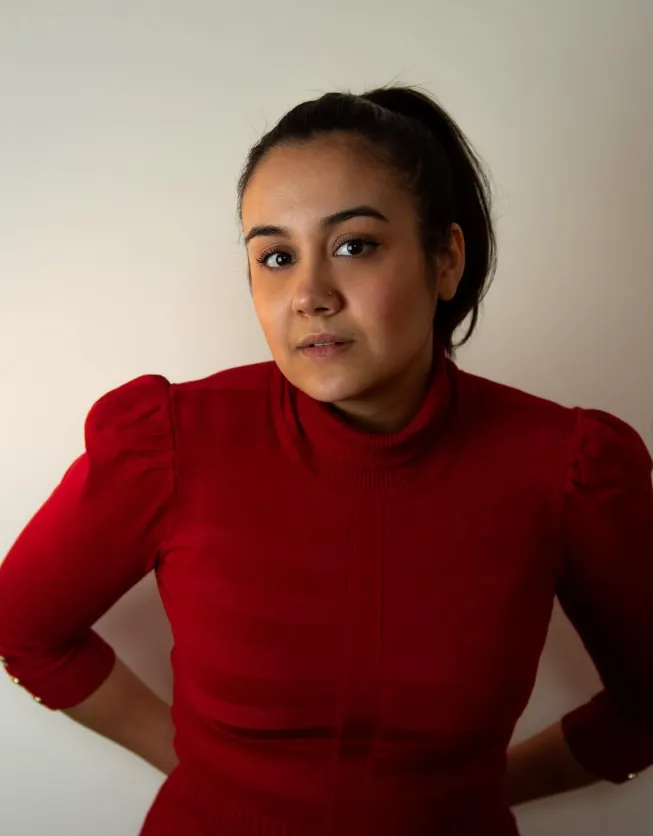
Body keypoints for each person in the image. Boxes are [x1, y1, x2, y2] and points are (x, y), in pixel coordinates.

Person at [0, 85, 651, 836]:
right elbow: (24, 628)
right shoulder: (169, 442)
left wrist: (466, 796)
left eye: (354, 245)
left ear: (445, 258)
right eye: (276, 257)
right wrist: (201, 773)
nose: (308, 295)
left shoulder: (568, 468)